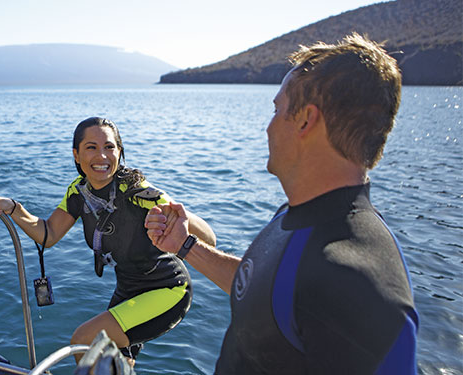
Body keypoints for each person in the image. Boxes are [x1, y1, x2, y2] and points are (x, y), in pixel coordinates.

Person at [145, 33, 419, 374]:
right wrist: (186, 246)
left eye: (277, 109)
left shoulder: (359, 282)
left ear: (305, 120)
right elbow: (266, 291)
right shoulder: (295, 217)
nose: (268, 127)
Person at [0, 116, 216, 364]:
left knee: (85, 340)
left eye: (109, 147)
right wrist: (13, 208)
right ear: (76, 155)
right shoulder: (78, 192)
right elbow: (47, 234)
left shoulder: (138, 192)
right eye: (91, 147)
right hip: (127, 292)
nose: (101, 156)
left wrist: (177, 212)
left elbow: (209, 239)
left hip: (168, 289)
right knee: (117, 364)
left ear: (119, 152)